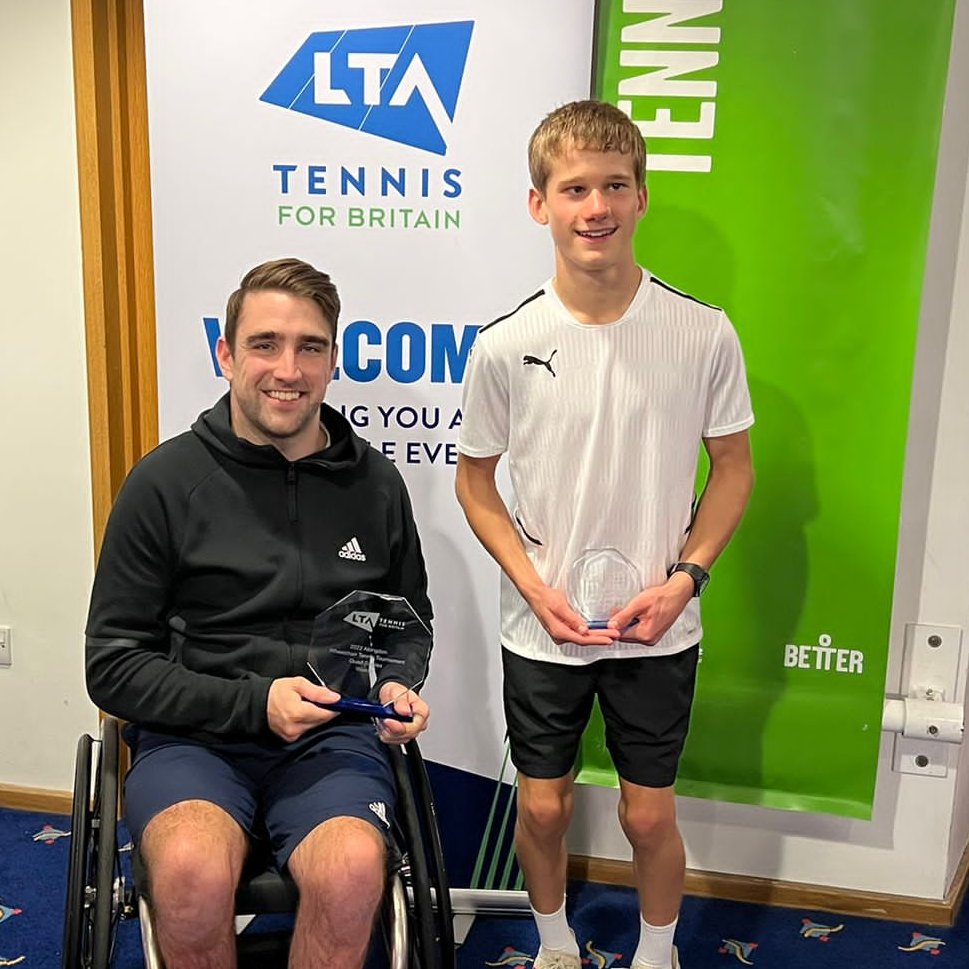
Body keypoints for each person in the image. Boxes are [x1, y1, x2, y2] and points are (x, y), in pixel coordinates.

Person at [455, 100, 754, 969]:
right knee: (543, 809)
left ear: (641, 197)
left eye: (614, 185)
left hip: (657, 625)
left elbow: (732, 468)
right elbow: (474, 483)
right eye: (575, 187)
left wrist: (683, 580)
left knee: (647, 815)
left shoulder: (702, 331)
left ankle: (655, 955)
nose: (597, 206)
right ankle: (554, 947)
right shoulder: (505, 345)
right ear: (539, 203)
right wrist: (531, 585)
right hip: (541, 627)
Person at [86, 257, 433, 969]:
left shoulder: (374, 483)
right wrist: (253, 702)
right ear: (226, 353)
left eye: (310, 346)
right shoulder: (164, 482)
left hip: (332, 741)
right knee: (189, 870)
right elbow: (112, 665)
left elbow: (403, 623)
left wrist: (396, 687)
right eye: (264, 343)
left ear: (333, 360)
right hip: (194, 738)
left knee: (351, 872)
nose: (288, 368)